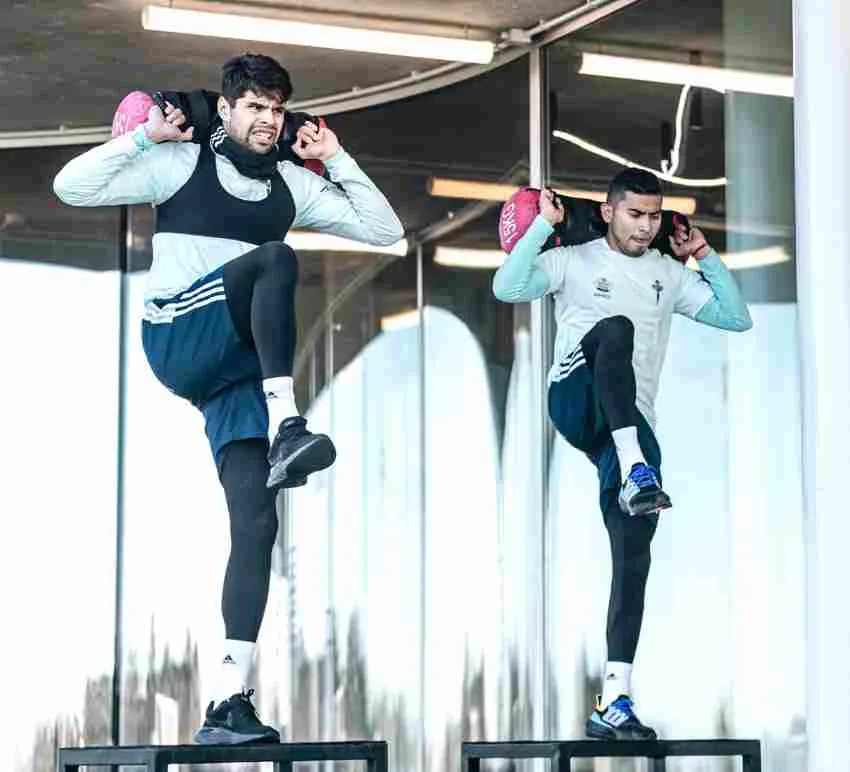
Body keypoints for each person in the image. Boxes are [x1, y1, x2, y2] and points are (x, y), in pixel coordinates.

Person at [54, 52, 403, 744]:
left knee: (258, 525)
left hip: (235, 371)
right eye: (254, 108)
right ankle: (289, 422)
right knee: (274, 261)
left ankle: (226, 702)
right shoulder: (180, 165)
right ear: (229, 107)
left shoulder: (288, 189)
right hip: (178, 333)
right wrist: (145, 139)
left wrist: (335, 157)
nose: (268, 121)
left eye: (277, 110)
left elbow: (384, 228)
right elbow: (70, 186)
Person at [492, 167, 752, 740]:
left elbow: (737, 317)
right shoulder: (573, 260)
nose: (646, 225)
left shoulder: (666, 273)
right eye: (635, 213)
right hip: (575, 396)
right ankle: (635, 465)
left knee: (634, 558)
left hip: (630, 421)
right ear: (609, 211)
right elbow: (507, 288)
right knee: (614, 331)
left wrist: (703, 254)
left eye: (654, 215)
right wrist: (541, 229)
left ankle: (614, 699)